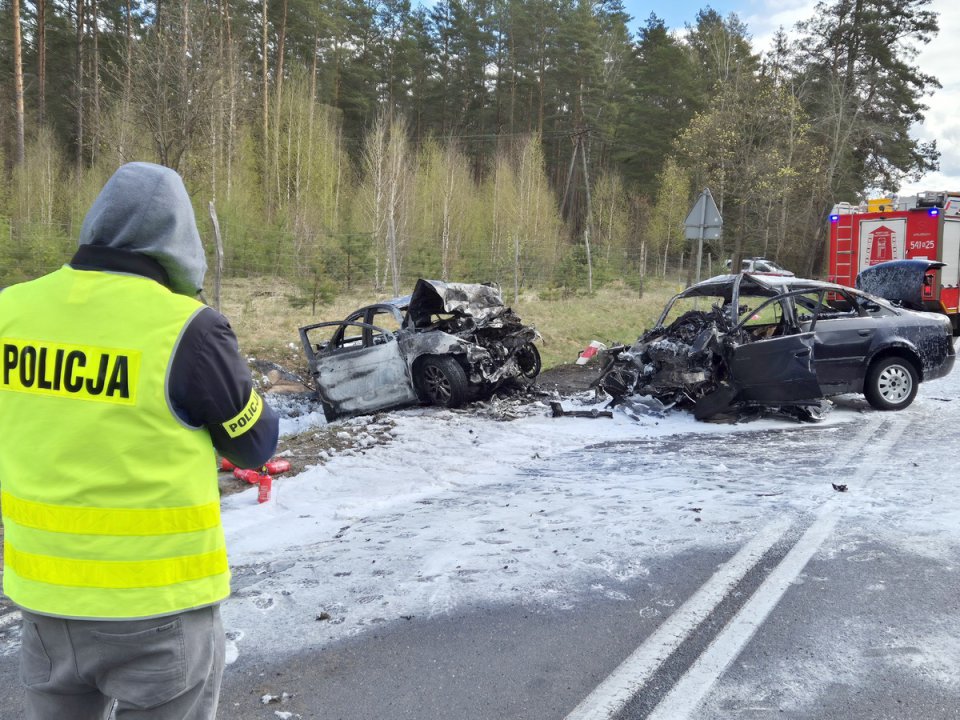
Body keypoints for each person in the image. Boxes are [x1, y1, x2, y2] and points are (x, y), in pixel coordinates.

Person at [0, 162, 279, 719]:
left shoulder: (11, 310)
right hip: (159, 608)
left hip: (45, 602)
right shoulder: (188, 327)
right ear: (180, 241)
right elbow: (254, 445)